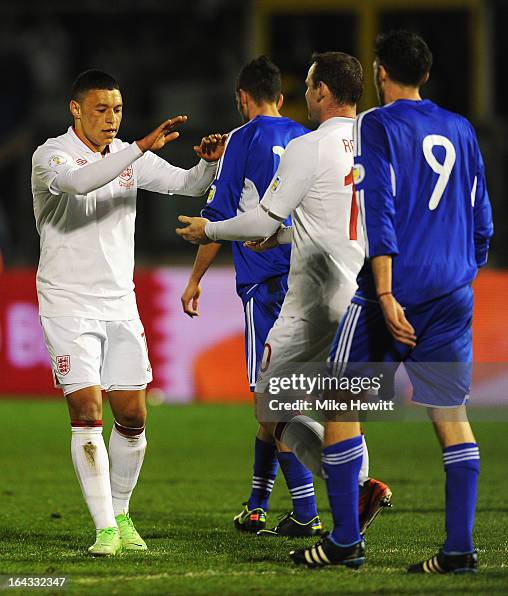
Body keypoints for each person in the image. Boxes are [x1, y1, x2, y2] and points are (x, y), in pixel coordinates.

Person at [290, 31, 493, 572]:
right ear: (424, 75)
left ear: (381, 72)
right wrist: (458, 277)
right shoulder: (461, 128)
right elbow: (482, 222)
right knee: (452, 416)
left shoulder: (375, 125)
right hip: (452, 294)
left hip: (393, 292)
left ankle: (344, 542)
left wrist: (385, 290)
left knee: (338, 402)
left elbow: (378, 210)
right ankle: (458, 551)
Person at [176, 52, 392, 535]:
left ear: (319, 91)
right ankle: (342, 514)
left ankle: (351, 488)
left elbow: (258, 218)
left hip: (309, 299)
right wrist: (283, 237)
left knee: (271, 404)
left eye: (310, 86)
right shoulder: (375, 143)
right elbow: (335, 220)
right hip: (363, 297)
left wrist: (208, 230)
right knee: (340, 405)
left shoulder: (305, 146)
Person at [31, 69, 224, 556]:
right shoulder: (51, 155)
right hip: (67, 303)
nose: (111, 119)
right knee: (87, 411)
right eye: (101, 109)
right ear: (76, 109)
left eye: (117, 110)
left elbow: (184, 184)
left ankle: (121, 513)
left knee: (134, 417)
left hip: (119, 302)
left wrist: (209, 166)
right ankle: (104, 530)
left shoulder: (128, 157)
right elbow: (77, 185)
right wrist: (138, 148)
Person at [181, 56, 323, 537]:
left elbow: (216, 222)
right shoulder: (308, 138)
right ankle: (258, 504)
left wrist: (195, 279)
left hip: (264, 284)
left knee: (273, 401)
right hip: (312, 278)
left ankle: (306, 510)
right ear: (281, 97)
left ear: (242, 98)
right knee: (284, 399)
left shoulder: (241, 140)